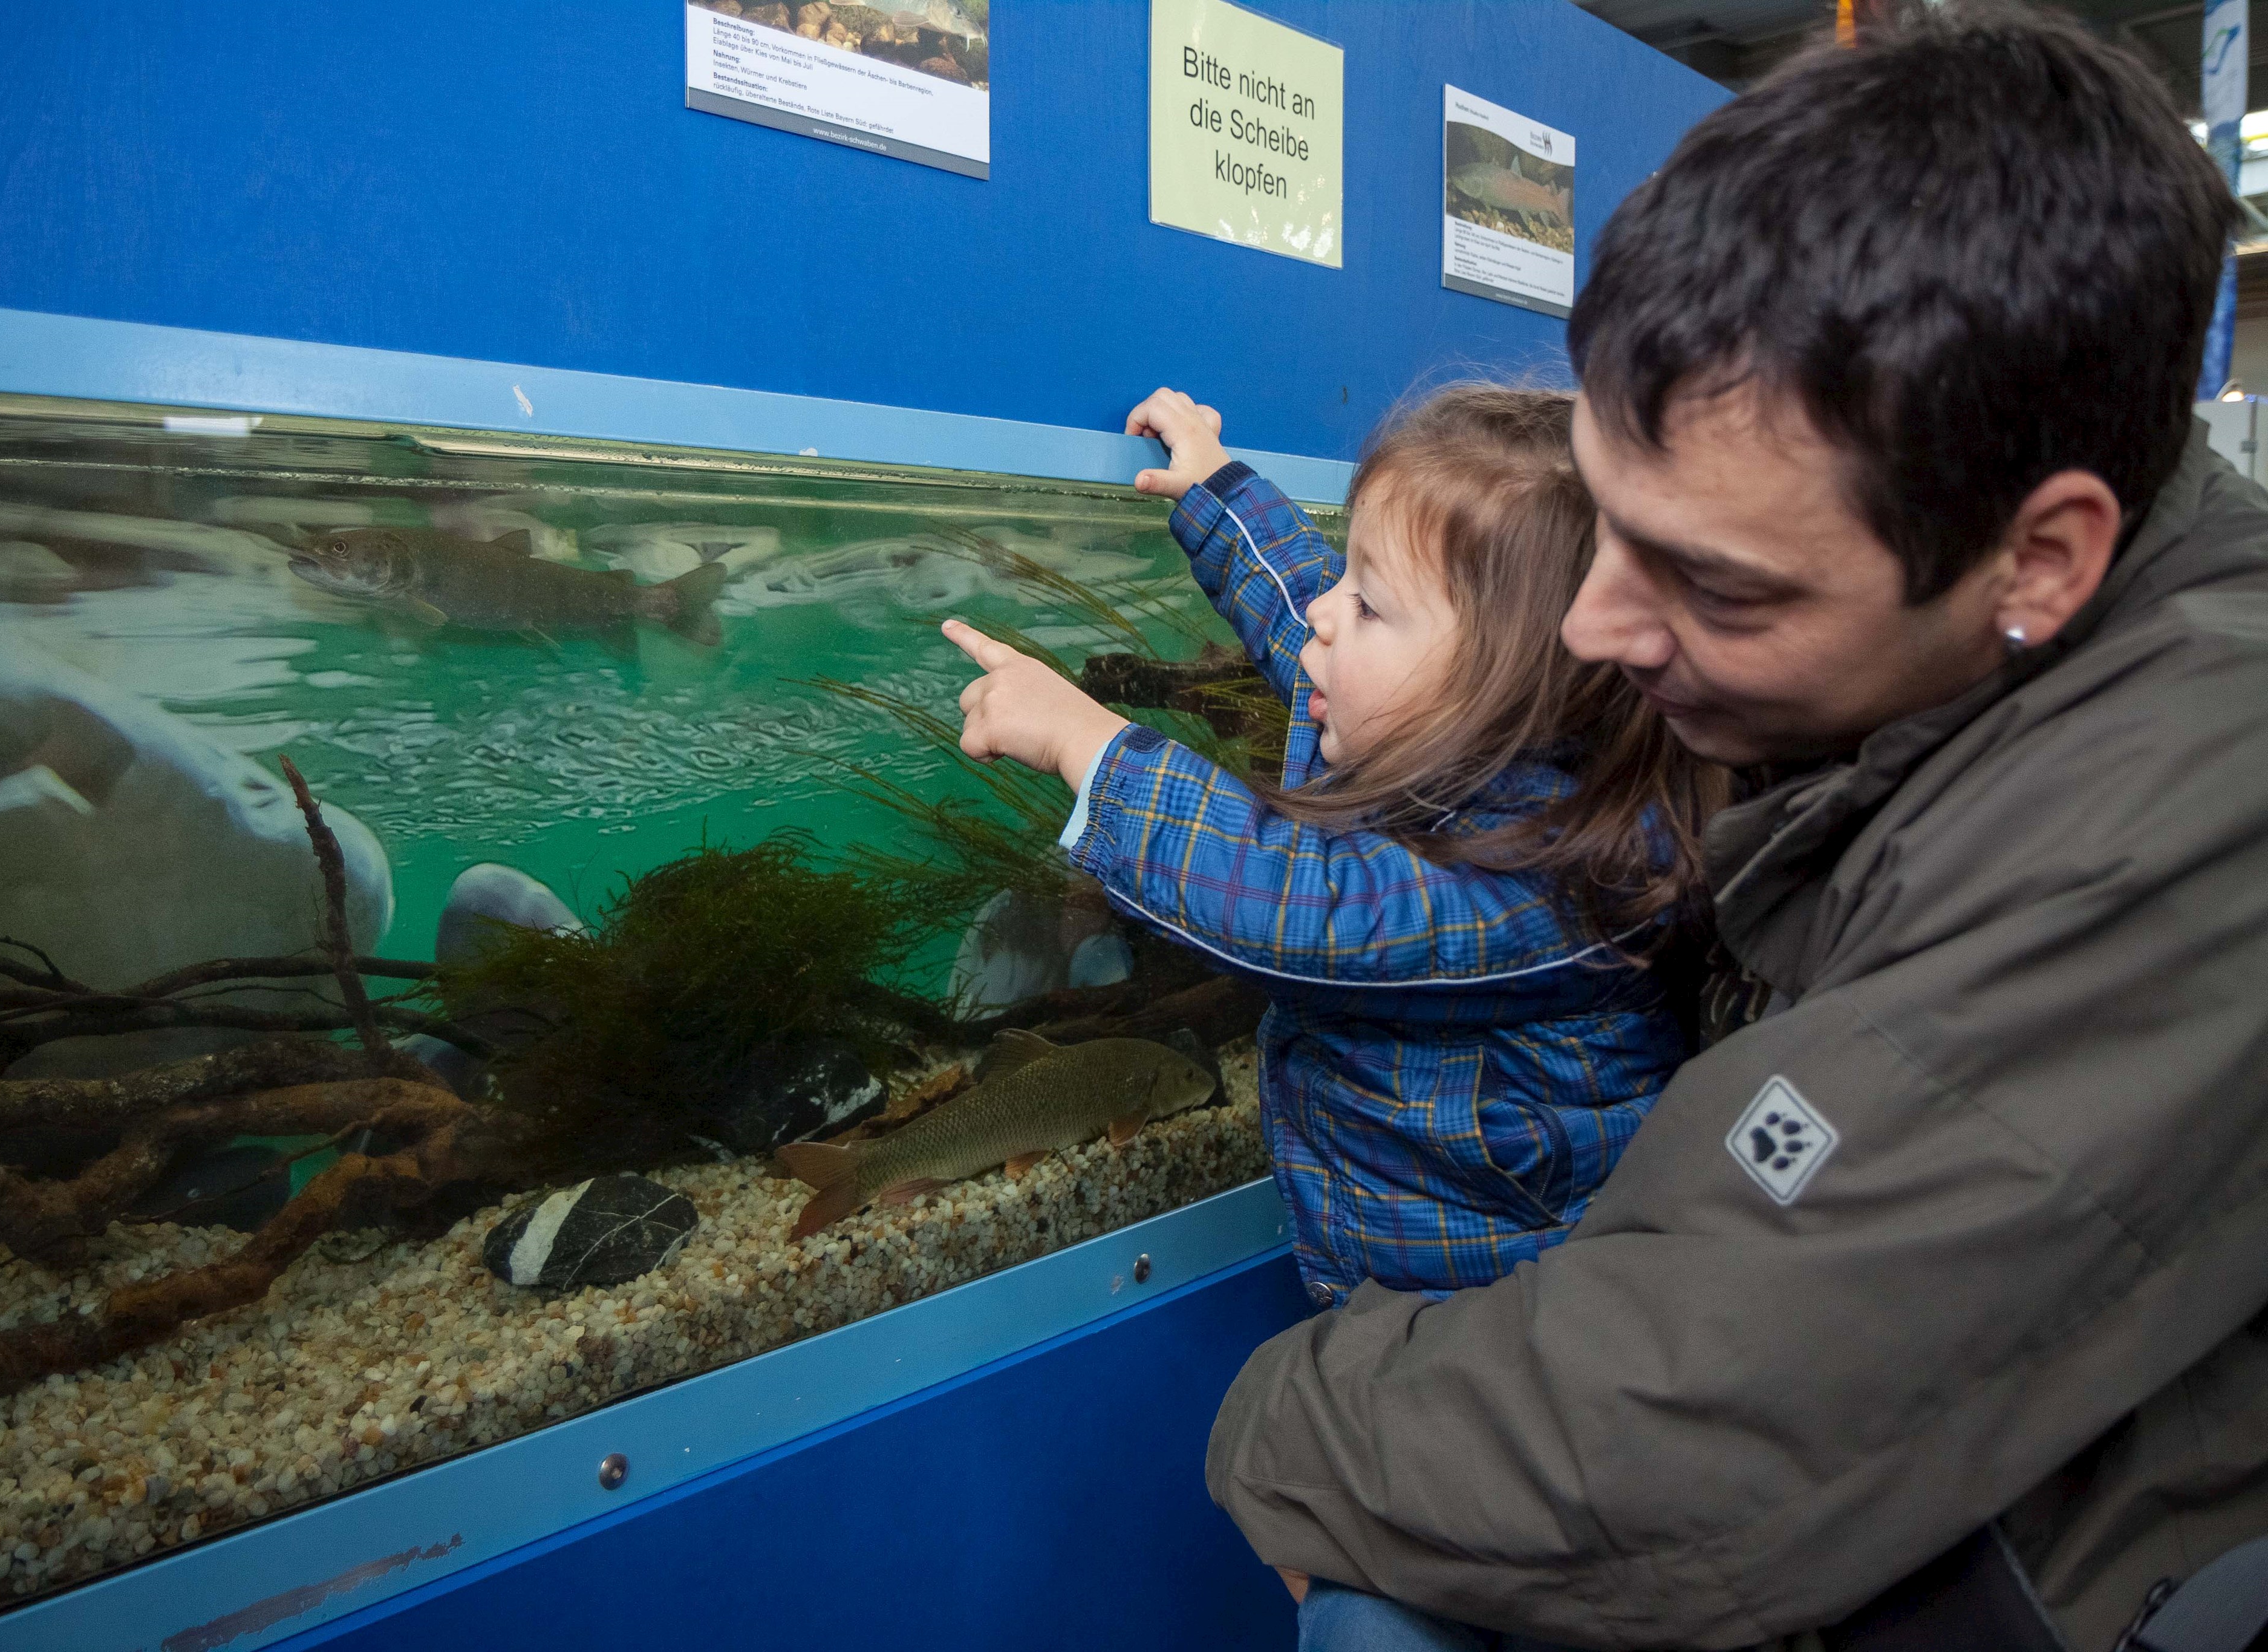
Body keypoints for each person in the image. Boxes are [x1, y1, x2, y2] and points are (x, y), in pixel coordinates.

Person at [1200, 6, 2268, 1651]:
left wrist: (1283, 1425)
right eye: (1610, 525)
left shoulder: (2192, 793)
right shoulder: (1907, 647)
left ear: (2040, 563)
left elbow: (1702, 1418)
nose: (1595, 630)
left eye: (1716, 583)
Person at [940, 384, 1722, 1342]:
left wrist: (1089, 746)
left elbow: (1300, 905)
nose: (1324, 611)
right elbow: (1294, 606)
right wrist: (1217, 489)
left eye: (1368, 601)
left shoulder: (1563, 879)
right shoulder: (1443, 734)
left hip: (1495, 1335)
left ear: (1502, 684)